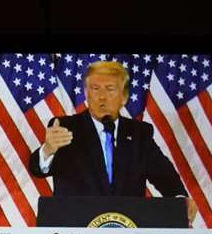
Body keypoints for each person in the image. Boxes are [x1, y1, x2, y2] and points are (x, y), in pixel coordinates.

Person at [27, 60, 195, 220]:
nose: (101, 97)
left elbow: (164, 175)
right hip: (76, 228)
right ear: (86, 94)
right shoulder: (65, 127)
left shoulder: (139, 133)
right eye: (95, 88)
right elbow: (37, 170)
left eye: (109, 89)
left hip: (126, 228)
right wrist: (48, 149)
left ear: (124, 96)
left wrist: (180, 199)